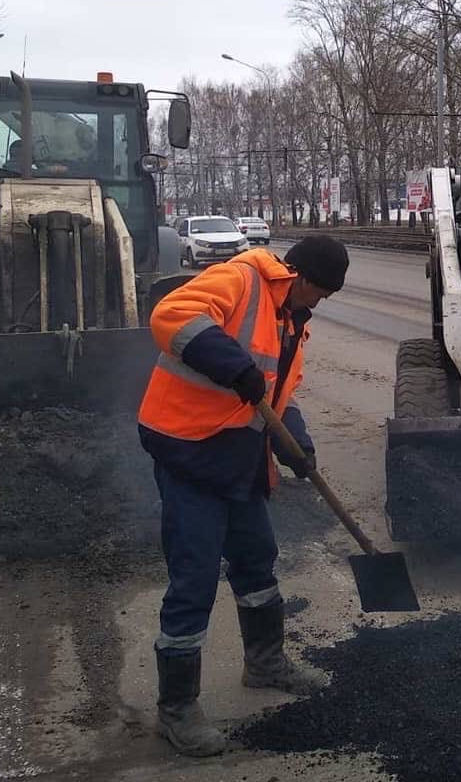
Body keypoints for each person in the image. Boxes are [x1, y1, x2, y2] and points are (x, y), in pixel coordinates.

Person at [137, 234, 350, 757]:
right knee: (194, 578)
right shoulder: (241, 277)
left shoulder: (292, 322)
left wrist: (295, 443)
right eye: (318, 292)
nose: (319, 303)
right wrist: (233, 366)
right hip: (190, 452)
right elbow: (171, 315)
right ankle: (177, 710)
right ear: (299, 277)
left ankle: (265, 662)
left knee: (257, 563)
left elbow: (275, 395)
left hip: (240, 460)